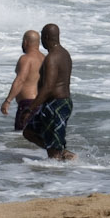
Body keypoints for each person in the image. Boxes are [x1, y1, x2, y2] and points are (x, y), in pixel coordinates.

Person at [20, 22, 75, 161]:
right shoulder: (64, 54)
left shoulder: (52, 58)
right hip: (57, 104)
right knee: (29, 132)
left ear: (45, 37)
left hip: (56, 105)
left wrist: (30, 109)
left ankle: (57, 177)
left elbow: (48, 87)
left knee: (53, 152)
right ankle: (63, 154)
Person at [0, 29, 45, 133]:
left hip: (28, 104)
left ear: (25, 42)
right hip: (41, 104)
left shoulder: (26, 59)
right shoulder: (44, 58)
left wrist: (8, 101)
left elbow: (21, 80)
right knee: (36, 139)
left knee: (22, 139)